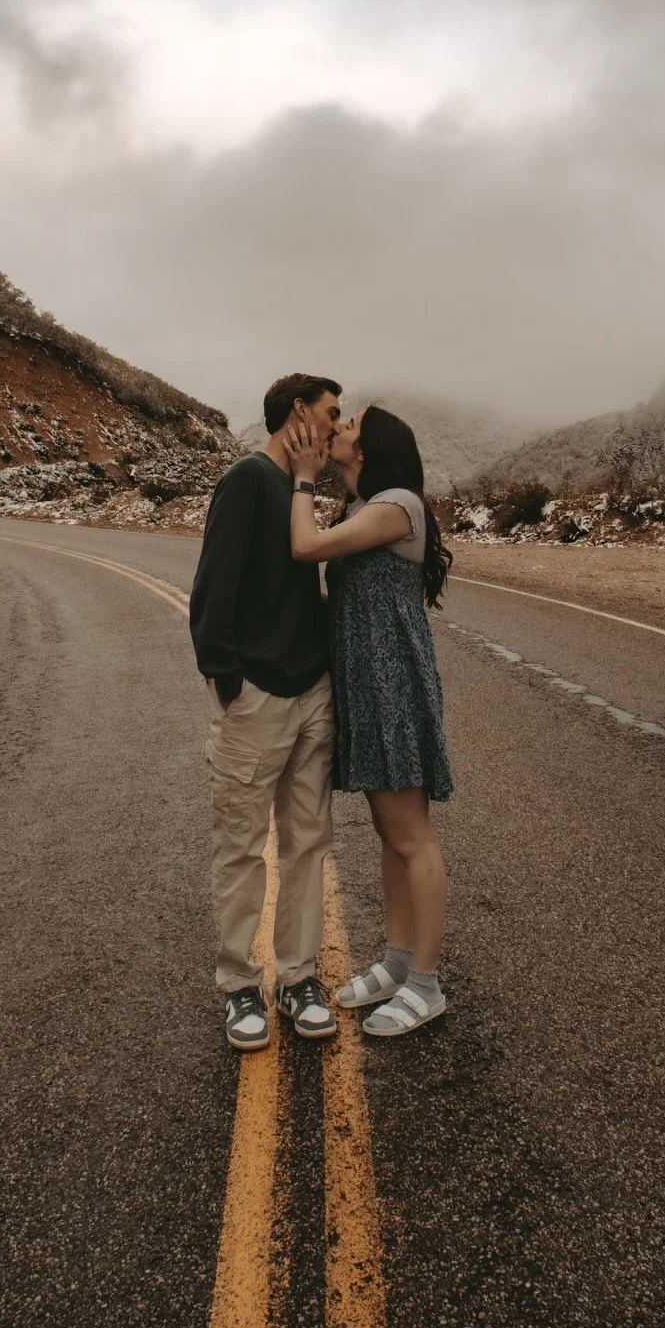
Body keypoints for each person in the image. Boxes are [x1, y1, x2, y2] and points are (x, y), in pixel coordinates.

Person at [283, 404, 454, 1038]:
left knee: (411, 835)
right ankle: (399, 961)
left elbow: (304, 547)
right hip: (367, 685)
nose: (339, 430)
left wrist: (303, 476)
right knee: (389, 830)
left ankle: (428, 984)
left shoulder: (397, 503)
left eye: (350, 424)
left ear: (371, 447)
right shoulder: (360, 510)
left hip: (394, 687)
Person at [189, 372, 343, 1052]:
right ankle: (239, 985)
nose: (337, 426)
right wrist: (230, 681)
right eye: (330, 413)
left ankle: (300, 977)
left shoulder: (300, 488)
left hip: (313, 691)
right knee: (242, 847)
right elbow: (212, 589)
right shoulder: (249, 480)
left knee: (308, 842)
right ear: (298, 413)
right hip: (257, 695)